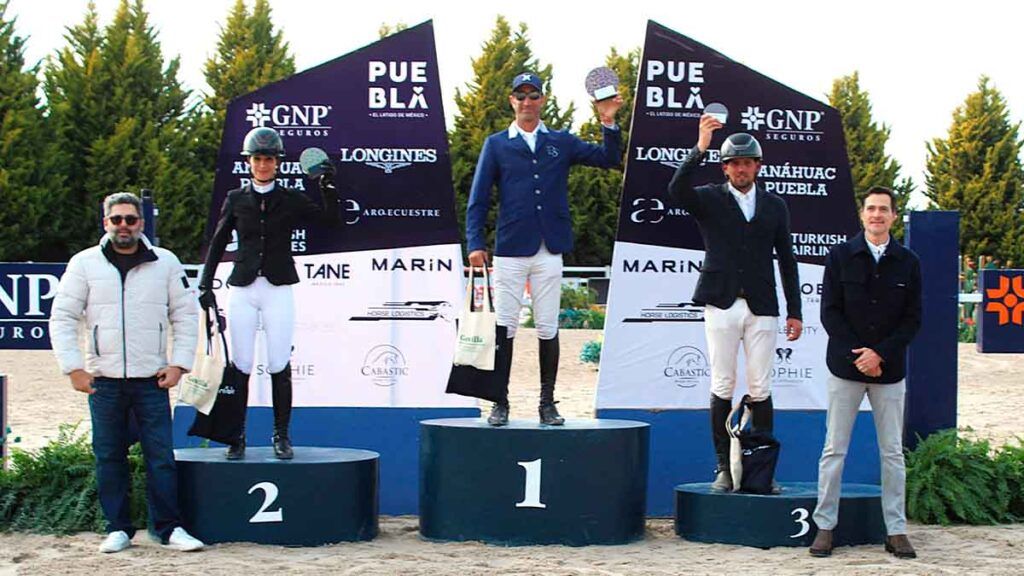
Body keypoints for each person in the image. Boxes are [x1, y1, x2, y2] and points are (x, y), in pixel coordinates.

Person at [49, 192, 205, 553]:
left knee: (161, 459)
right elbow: (63, 317)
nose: (124, 226)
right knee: (109, 457)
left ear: (141, 223)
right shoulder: (84, 263)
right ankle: (118, 529)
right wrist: (73, 368)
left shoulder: (165, 262)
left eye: (130, 219)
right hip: (103, 382)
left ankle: (169, 529)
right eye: (116, 219)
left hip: (152, 380)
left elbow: (185, 315)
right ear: (105, 222)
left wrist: (179, 364)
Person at [466, 72, 623, 426]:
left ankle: (547, 403)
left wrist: (608, 122)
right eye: (520, 96)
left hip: (549, 248)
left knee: (548, 326)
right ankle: (499, 401)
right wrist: (475, 242)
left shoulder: (560, 141)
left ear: (542, 99)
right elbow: (478, 199)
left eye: (533, 95)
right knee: (505, 325)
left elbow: (608, 158)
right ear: (512, 101)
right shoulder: (496, 144)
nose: (527, 102)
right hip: (510, 247)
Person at [667, 114, 802, 492]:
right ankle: (723, 467)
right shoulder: (709, 197)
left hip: (762, 305)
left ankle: (761, 471)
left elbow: (787, 260)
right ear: (725, 168)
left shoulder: (775, 205)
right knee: (722, 383)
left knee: (761, 387)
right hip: (721, 301)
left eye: (747, 162)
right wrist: (700, 147)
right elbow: (676, 190)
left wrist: (795, 311)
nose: (741, 169)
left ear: (757, 166)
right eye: (734, 163)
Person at [199, 127, 340, 460]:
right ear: (249, 162)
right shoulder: (236, 198)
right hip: (243, 287)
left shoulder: (290, 198)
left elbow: (330, 221)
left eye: (269, 159)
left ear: (277, 162)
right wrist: (205, 283)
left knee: (278, 362)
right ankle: (236, 435)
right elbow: (218, 242)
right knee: (241, 364)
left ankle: (281, 434)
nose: (263, 165)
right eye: (258, 159)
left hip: (278, 287)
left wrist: (327, 187)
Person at [809, 186, 922, 559]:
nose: (877, 215)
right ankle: (825, 527)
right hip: (845, 368)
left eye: (883, 209)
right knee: (834, 450)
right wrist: (859, 355)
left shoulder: (909, 262)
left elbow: (912, 319)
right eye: (871, 208)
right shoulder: (840, 256)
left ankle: (896, 531)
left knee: (892, 453)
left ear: (893, 216)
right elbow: (830, 312)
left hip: (889, 372)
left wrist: (880, 354)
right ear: (862, 214)